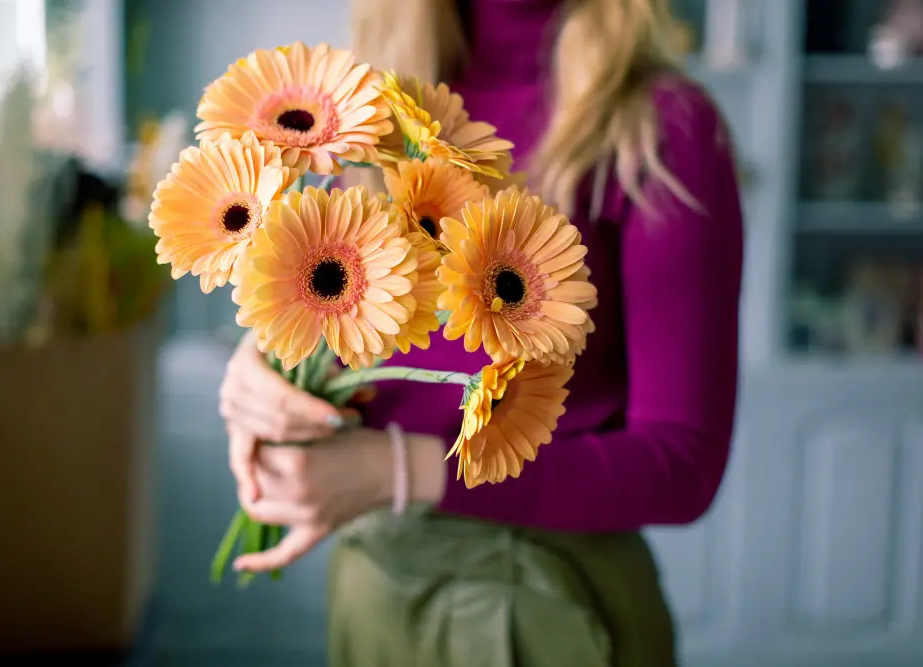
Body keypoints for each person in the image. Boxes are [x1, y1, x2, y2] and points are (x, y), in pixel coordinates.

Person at [218, 0, 744, 665]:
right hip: (375, 590)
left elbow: (681, 464)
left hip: (545, 608)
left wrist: (400, 469)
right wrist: (262, 370)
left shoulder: (661, 129)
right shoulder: (363, 113)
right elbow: (346, 324)